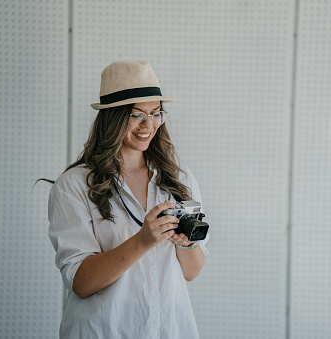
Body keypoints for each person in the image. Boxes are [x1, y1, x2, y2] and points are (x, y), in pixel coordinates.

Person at [46, 60, 210, 338]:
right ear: (113, 118)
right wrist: (143, 240)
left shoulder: (179, 178)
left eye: (156, 113)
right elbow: (82, 282)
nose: (149, 124)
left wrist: (187, 243)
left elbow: (192, 272)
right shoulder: (74, 185)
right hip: (105, 329)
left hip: (170, 329)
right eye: (136, 115)